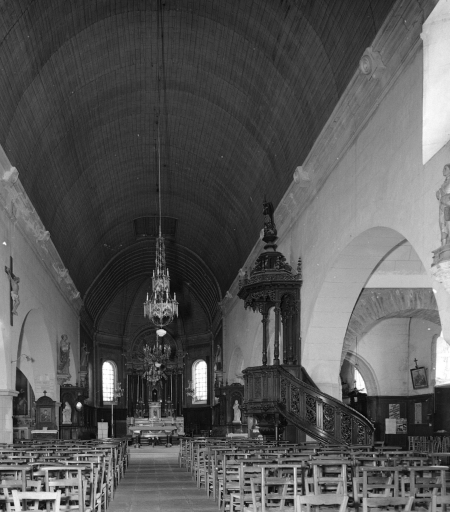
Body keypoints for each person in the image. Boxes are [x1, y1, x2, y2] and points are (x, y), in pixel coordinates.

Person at [436, 164, 450, 246]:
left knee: (448, 222)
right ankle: (444, 244)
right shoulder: (444, 183)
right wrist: (438, 193)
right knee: (442, 223)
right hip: (442, 205)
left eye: (445, 168)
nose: (443, 170)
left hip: (448, 204)